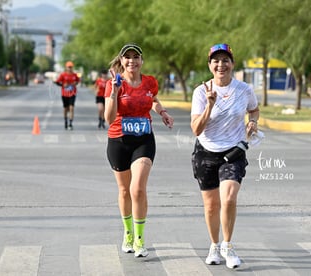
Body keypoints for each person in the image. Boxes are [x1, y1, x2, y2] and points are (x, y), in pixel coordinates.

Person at [190, 43, 260, 269]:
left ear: (232, 63)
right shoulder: (201, 92)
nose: (221, 65)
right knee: (211, 206)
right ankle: (214, 245)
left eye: (225, 60)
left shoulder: (244, 89)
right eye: (216, 61)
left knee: (228, 199)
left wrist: (253, 122)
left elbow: (254, 109)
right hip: (206, 153)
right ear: (210, 65)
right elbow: (196, 129)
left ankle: (228, 246)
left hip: (234, 152)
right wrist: (210, 105)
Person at [104, 43, 174, 258]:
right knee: (124, 191)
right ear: (122, 61)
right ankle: (128, 233)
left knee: (137, 189)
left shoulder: (150, 81)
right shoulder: (113, 84)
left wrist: (161, 111)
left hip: (143, 140)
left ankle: (140, 239)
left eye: (136, 57)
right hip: (119, 140)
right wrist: (115, 94)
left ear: (142, 61)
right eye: (128, 57)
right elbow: (108, 119)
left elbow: (152, 98)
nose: (132, 61)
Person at [55, 61, 80, 130]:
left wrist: (75, 83)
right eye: (69, 67)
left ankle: (70, 123)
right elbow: (57, 82)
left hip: (72, 93)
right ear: (66, 67)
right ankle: (65, 120)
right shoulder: (63, 75)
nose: (70, 68)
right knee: (66, 108)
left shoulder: (75, 75)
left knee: (71, 108)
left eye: (71, 67)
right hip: (64, 94)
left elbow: (78, 81)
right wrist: (63, 85)